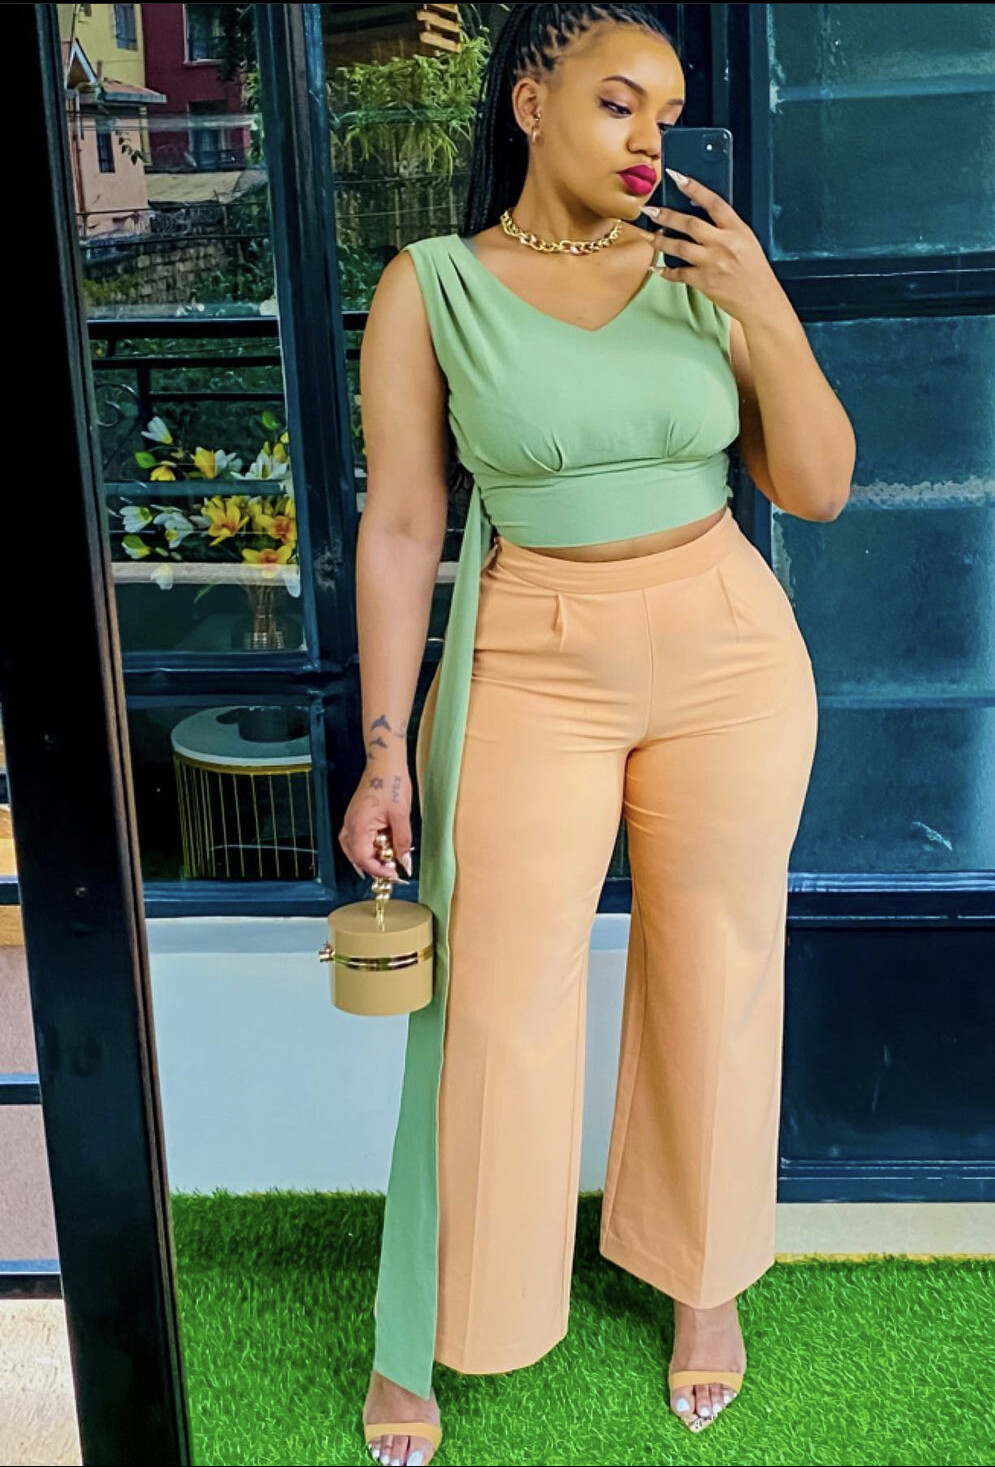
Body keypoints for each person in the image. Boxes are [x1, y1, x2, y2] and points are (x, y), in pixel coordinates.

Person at [340, 5, 855, 1463]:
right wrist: (383, 751)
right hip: (530, 656)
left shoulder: (702, 273)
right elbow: (402, 526)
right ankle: (447, 1320)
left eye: (666, 115)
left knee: (718, 972)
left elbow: (818, 487)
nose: (649, 141)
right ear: (530, 101)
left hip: (729, 649)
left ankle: (704, 1283)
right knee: (493, 996)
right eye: (618, 103)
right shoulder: (433, 286)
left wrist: (764, 303)